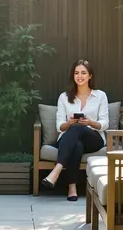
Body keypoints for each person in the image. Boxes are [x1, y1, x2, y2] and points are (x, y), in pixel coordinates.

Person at [41, 60, 109, 201]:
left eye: (83, 73)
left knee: (78, 128)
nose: (80, 76)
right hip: (69, 138)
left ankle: (57, 170)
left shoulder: (100, 96)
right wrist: (69, 123)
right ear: (73, 76)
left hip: (93, 138)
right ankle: (72, 189)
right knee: (77, 144)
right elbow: (60, 126)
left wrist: (89, 122)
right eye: (76, 73)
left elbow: (105, 123)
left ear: (90, 76)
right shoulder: (64, 97)